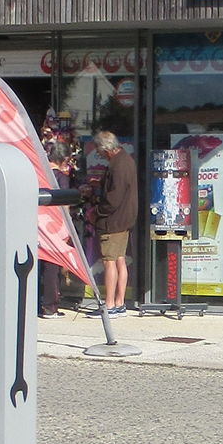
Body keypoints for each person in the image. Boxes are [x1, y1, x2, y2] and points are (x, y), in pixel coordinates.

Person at [92, 126, 137, 313]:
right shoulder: (126, 160)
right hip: (125, 219)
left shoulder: (117, 165)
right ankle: (119, 302)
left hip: (113, 220)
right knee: (120, 260)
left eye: (100, 151)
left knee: (109, 261)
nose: (99, 154)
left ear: (106, 149)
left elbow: (114, 198)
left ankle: (109, 304)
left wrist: (96, 210)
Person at [39, 110, 78, 315]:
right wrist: (68, 227)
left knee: (42, 263)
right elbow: (63, 204)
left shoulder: (42, 175)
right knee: (53, 265)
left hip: (41, 224)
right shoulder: (60, 178)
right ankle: (50, 306)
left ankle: (40, 303)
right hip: (56, 226)